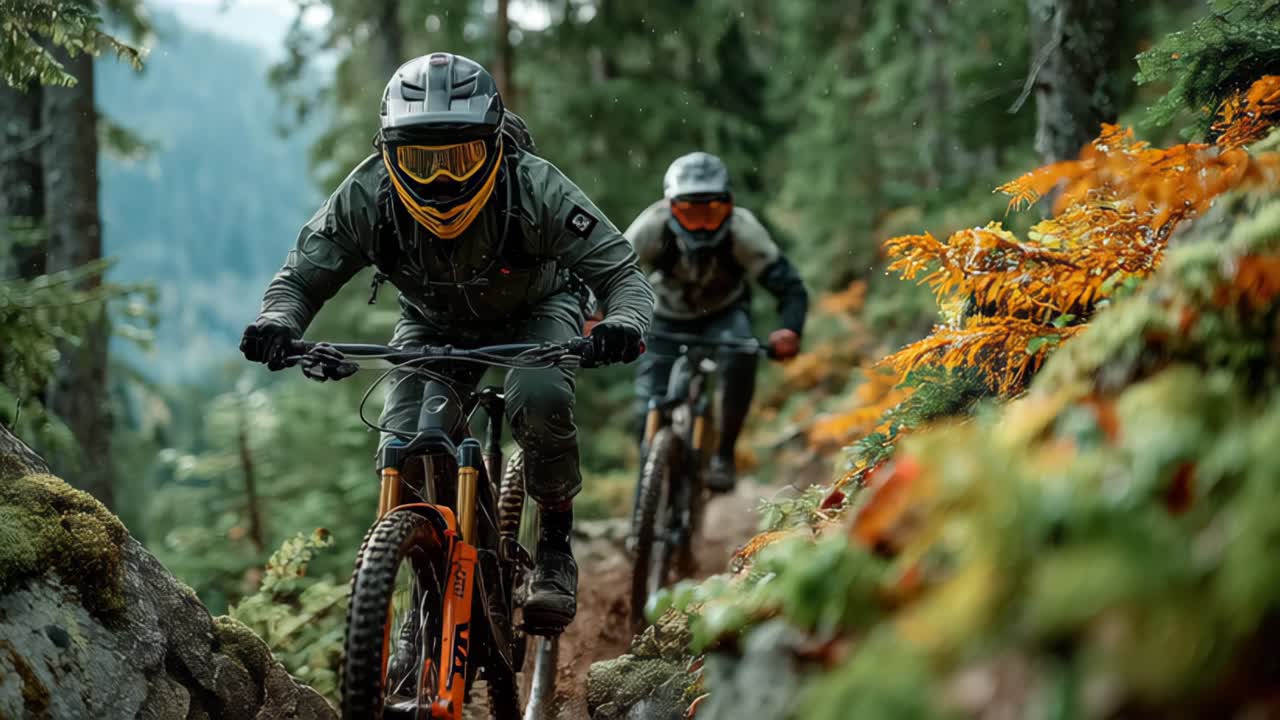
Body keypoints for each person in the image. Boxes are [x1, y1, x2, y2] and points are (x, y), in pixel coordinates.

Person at [238, 53, 654, 632]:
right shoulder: (369, 194)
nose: (441, 181)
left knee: (539, 395)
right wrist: (278, 321)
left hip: (539, 311)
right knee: (405, 439)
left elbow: (623, 276)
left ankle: (555, 546)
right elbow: (303, 276)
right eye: (420, 160)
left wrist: (624, 323)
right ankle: (426, 586)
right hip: (431, 324)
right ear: (389, 153)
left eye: (458, 158)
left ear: (492, 147)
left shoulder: (535, 187)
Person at [624, 151, 808, 492]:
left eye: (712, 211)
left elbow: (790, 287)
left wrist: (790, 329)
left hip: (724, 314)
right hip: (665, 317)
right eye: (689, 212)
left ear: (728, 205)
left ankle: (723, 454)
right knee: (646, 407)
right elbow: (612, 272)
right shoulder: (651, 227)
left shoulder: (743, 231)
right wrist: (595, 311)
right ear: (670, 207)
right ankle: (647, 486)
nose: (702, 223)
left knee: (741, 357)